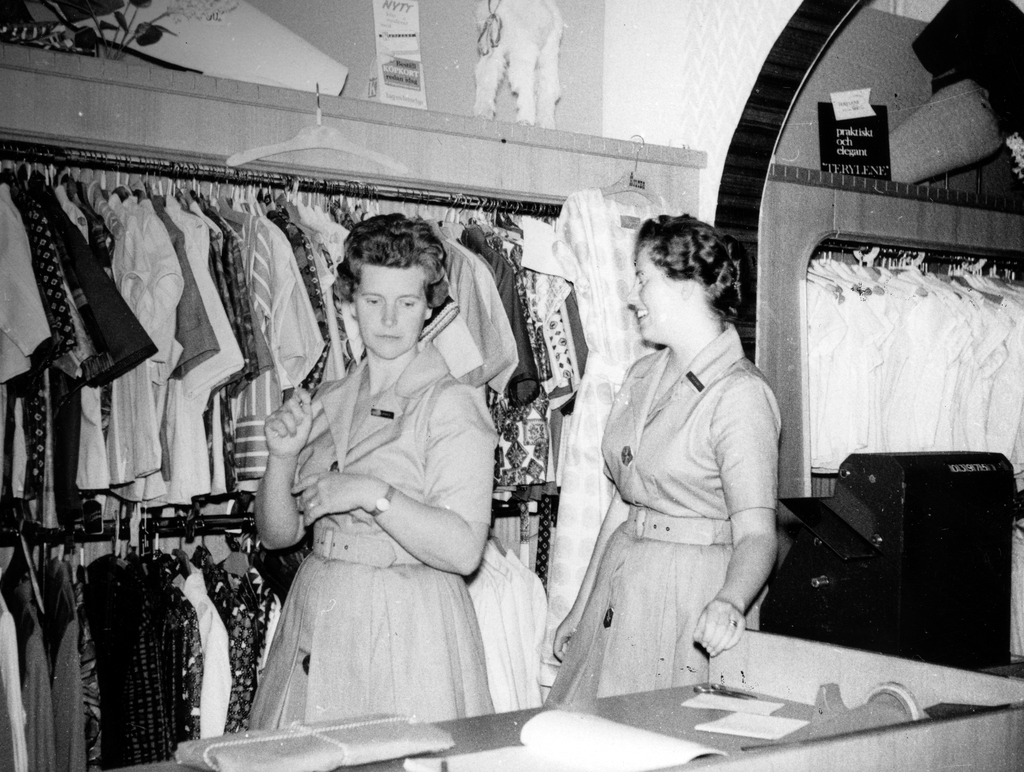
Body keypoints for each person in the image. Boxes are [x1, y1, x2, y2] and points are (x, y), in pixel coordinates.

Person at [249, 213, 496, 726]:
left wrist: (371, 493)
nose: (388, 319)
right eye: (373, 301)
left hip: (408, 624)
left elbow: (464, 549)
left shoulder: (451, 403)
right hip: (318, 615)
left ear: (429, 305)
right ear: (350, 299)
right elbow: (277, 535)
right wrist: (282, 456)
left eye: (406, 303)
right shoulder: (329, 397)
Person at [547, 214, 780, 704]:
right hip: (621, 584)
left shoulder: (740, 394)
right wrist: (580, 608)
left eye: (642, 279)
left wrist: (730, 601)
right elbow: (623, 507)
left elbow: (758, 535)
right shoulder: (641, 374)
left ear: (685, 287)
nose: (632, 296)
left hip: (692, 598)